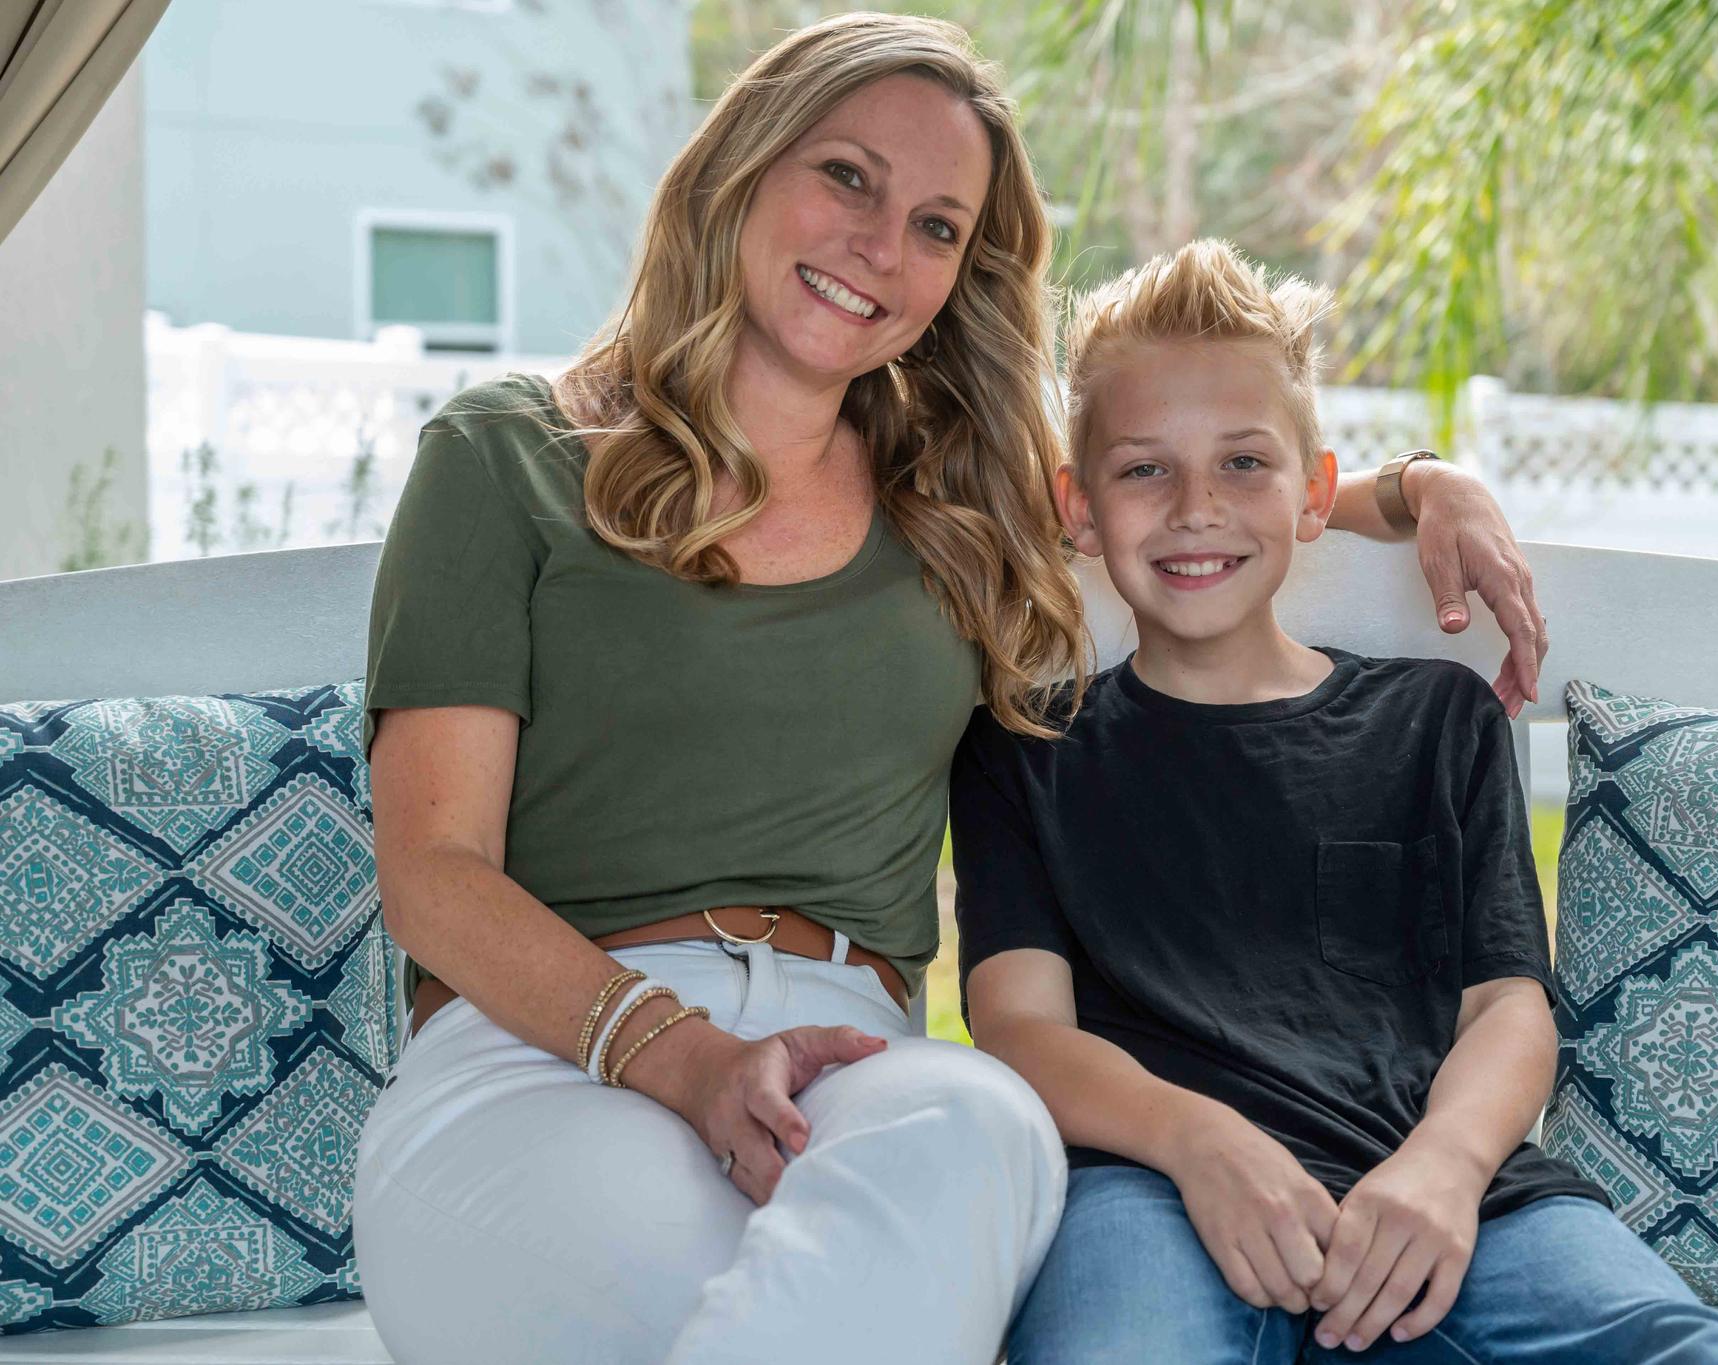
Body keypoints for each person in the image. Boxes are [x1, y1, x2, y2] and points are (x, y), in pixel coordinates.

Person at [348, 15, 1554, 1365]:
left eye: (937, 226)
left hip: (861, 1067)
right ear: (741, 164)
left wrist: (1419, 486)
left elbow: (1186, 493)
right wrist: (679, 1057)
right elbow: (434, 875)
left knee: (984, 1126)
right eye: (848, 176)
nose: (881, 247)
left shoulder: (957, 500)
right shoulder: (506, 456)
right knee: (715, 1276)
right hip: (547, 1055)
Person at [953, 239, 1718, 1364]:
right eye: (1143, 470)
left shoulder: (1436, 721)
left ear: (1313, 496)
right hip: (1145, 1186)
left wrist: (1443, 1165)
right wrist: (1198, 1142)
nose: (1196, 508)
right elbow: (1018, 1027)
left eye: (1244, 464)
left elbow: (1506, 1011)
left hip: (1449, 1198)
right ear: (1077, 507)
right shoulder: (1027, 744)